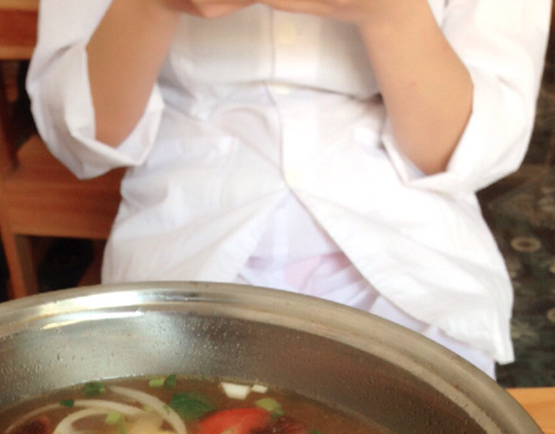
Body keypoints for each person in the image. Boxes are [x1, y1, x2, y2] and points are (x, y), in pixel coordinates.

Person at [27, 1, 551, 376]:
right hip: (188, 225)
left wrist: (391, 14)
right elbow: (85, 140)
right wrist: (152, 7)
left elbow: (469, 149)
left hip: (408, 237)